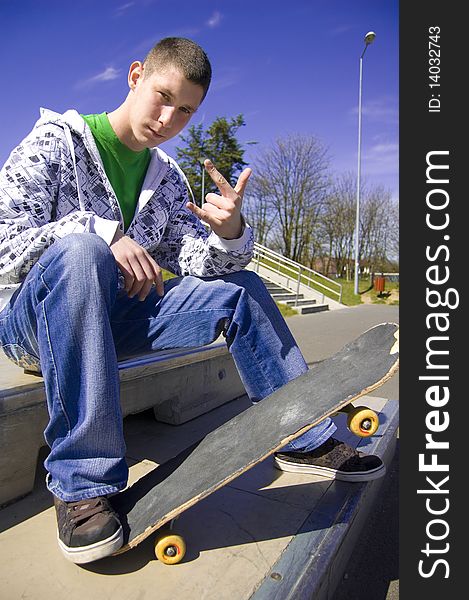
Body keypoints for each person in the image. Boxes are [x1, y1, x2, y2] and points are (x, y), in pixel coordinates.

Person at [0, 37, 385, 564]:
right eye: (162, 96)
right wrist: (99, 233)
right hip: (35, 322)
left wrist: (230, 234)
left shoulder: (166, 179)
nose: (168, 119)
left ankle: (304, 433)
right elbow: (5, 246)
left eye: (186, 111)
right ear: (135, 76)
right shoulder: (54, 145)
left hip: (114, 319)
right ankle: (83, 485)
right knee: (82, 252)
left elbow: (197, 264)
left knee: (240, 291)